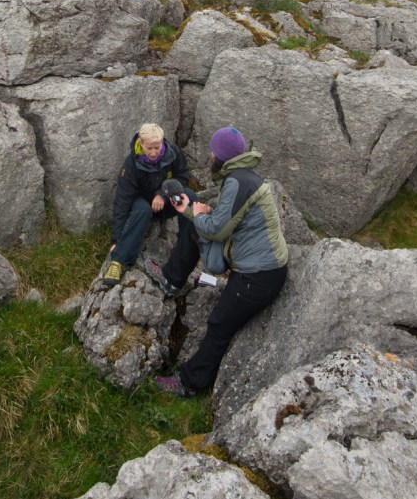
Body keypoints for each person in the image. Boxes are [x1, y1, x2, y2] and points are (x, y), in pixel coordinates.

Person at [147, 126, 288, 397]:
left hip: (258, 277)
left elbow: (215, 230)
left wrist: (198, 215)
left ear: (221, 157)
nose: (210, 156)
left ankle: (189, 383)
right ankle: (171, 279)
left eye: (213, 152)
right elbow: (227, 220)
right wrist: (194, 211)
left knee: (219, 325)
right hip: (259, 268)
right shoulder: (244, 177)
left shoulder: (237, 182)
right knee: (193, 224)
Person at [103, 122, 198, 286]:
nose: (154, 153)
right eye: (149, 148)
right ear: (141, 144)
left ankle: (186, 245)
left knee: (189, 196)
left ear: (162, 142)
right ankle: (118, 261)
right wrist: (115, 240)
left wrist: (162, 194)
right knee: (142, 209)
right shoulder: (131, 164)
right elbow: (122, 201)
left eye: (157, 147)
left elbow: (182, 177)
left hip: (165, 200)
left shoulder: (173, 152)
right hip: (141, 203)